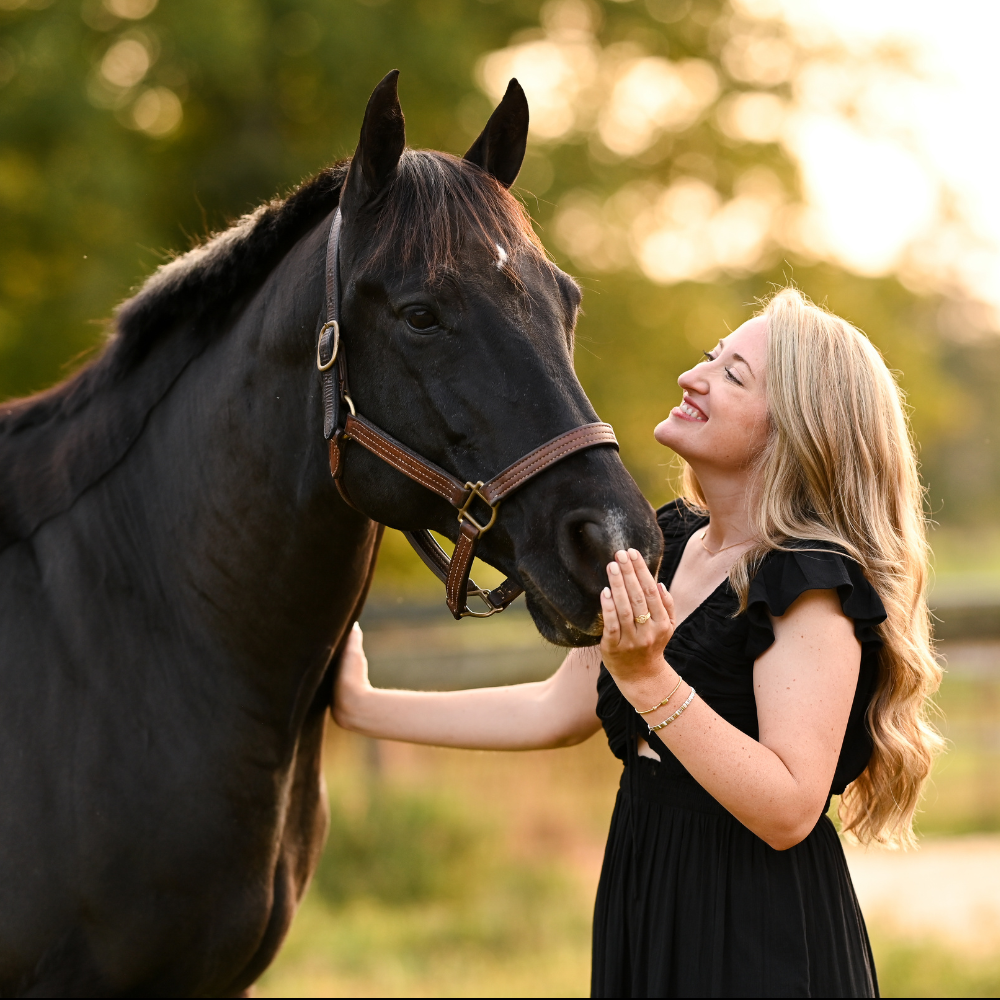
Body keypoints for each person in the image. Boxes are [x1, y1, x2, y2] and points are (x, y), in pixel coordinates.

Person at [333, 287, 943, 998]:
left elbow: (788, 809)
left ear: (797, 429)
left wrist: (648, 680)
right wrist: (362, 706)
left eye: (732, 375)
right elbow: (553, 711)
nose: (694, 376)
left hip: (754, 929)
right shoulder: (666, 541)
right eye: (710, 357)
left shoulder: (807, 583)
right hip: (644, 887)